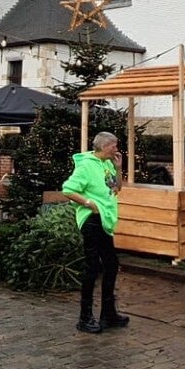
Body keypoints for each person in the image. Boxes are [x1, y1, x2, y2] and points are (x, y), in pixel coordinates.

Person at [61, 131, 125, 334]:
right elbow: (68, 189)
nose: (116, 149)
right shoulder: (86, 166)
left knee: (111, 264)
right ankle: (85, 317)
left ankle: (108, 313)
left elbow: (116, 188)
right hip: (91, 220)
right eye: (114, 146)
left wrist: (118, 168)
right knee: (93, 266)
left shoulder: (108, 164)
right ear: (104, 146)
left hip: (105, 220)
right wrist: (89, 203)